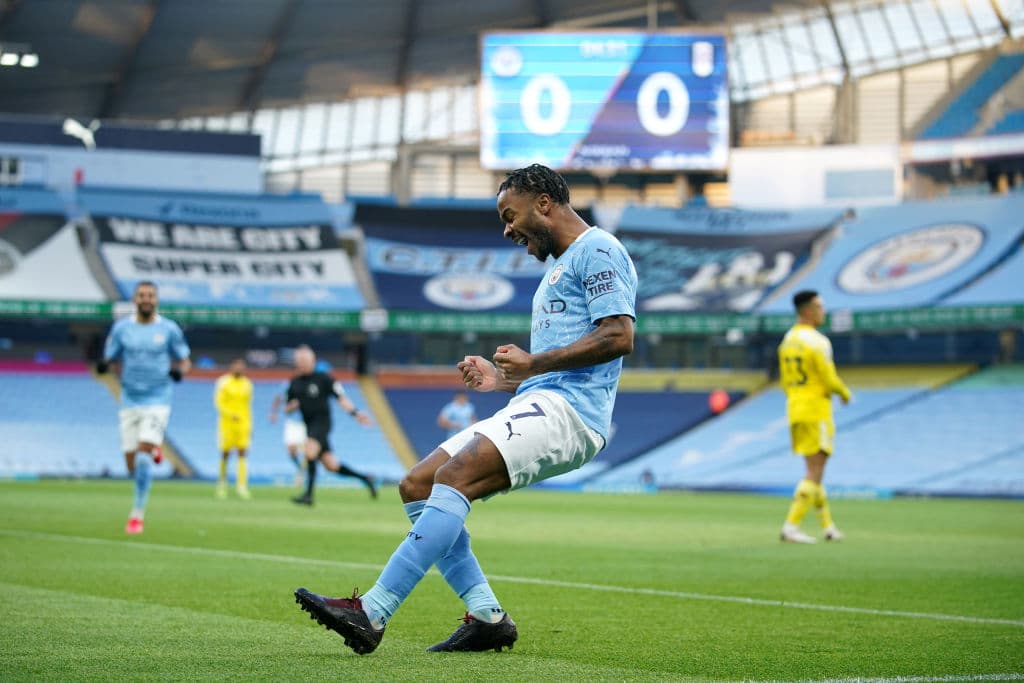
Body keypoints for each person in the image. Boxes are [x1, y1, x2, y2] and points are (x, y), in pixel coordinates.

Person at [293, 163, 637, 655]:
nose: (507, 229)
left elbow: (619, 335)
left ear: (543, 202)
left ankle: (372, 611)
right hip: (544, 398)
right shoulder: (558, 269)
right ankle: (487, 616)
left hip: (573, 413)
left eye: (509, 214)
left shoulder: (598, 249)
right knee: (417, 483)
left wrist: (533, 361)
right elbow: (553, 365)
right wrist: (504, 380)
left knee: (456, 477)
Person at [97, 281, 191, 535]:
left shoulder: (169, 329)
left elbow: (184, 359)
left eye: (150, 295)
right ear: (135, 300)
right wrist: (104, 366)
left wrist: (179, 371)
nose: (146, 299)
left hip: (158, 398)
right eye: (142, 295)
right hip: (129, 398)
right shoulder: (122, 328)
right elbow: (111, 356)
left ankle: (137, 514)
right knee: (132, 463)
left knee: (142, 455)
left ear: (157, 299)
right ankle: (154, 446)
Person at [777, 289, 852, 544]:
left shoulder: (787, 340)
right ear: (807, 311)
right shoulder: (818, 342)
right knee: (814, 471)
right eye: (819, 307)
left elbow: (785, 381)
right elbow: (829, 379)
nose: (824, 311)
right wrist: (844, 393)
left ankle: (828, 526)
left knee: (815, 471)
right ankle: (791, 526)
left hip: (795, 407)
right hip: (816, 409)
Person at [286, 346, 377, 505]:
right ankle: (366, 478)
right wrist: (292, 406)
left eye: (305, 361)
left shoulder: (324, 379)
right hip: (309, 425)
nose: (302, 364)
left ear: (313, 361)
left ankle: (308, 495)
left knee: (310, 450)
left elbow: (341, 398)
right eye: (299, 361)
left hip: (322, 423)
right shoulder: (294, 383)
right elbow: (287, 408)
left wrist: (356, 413)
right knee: (331, 465)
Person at [214, 358, 254, 499]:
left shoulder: (247, 384)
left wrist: (250, 425)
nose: (239, 369)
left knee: (243, 453)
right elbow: (219, 403)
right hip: (227, 424)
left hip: (243, 424)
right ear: (232, 367)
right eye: (237, 366)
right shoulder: (223, 382)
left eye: (242, 367)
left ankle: (241, 486)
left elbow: (248, 407)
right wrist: (231, 415)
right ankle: (222, 483)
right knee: (225, 453)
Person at [269, 378, 307, 487]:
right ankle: (301, 468)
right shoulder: (288, 385)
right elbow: (278, 397)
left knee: (306, 451)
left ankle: (301, 475)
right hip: (292, 422)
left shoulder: (311, 384)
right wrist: (273, 413)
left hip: (305, 422)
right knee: (291, 451)